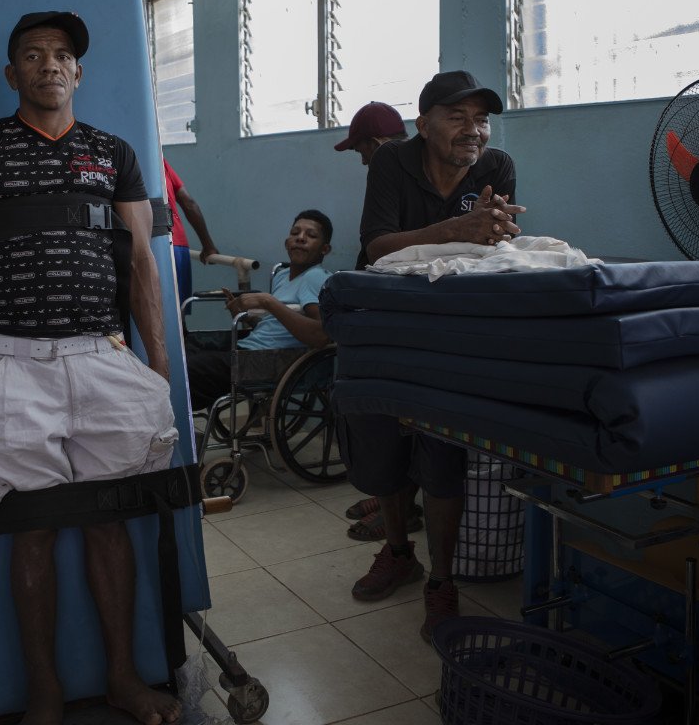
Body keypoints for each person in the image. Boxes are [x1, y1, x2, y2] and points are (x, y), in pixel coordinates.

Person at [0, 11, 181, 725]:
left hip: (104, 357)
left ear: (79, 72)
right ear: (13, 75)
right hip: (13, 362)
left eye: (63, 55)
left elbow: (139, 264)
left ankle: (123, 679)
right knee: (31, 527)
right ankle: (42, 689)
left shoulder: (114, 153)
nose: (50, 65)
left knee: (108, 522)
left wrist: (157, 367)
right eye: (34, 56)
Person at [343, 70, 524, 642]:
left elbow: (495, 248)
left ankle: (440, 581)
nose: (473, 130)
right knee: (384, 447)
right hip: (387, 320)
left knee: (444, 453)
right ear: (424, 125)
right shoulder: (393, 162)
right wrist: (457, 229)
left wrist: (487, 233)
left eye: (481, 119)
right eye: (457, 117)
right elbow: (376, 246)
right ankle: (399, 551)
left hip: (450, 325)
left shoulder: (496, 168)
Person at [334, 102, 422, 542]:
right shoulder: (401, 172)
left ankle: (400, 511)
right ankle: (395, 498)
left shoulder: (399, 168)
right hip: (384, 302)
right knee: (391, 421)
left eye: (361, 150)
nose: (363, 159)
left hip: (400, 311)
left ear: (375, 143)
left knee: (397, 418)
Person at [185, 210, 332, 414]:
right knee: (181, 351)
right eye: (295, 232)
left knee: (187, 369)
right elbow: (277, 326)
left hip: (270, 361)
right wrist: (246, 316)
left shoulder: (314, 278)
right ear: (286, 242)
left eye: (311, 235)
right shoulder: (282, 276)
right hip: (251, 350)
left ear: (325, 249)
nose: (300, 238)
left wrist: (268, 301)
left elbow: (320, 335)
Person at [162, 158, 219, 305]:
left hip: (155, 245)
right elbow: (189, 203)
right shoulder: (159, 160)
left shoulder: (124, 158)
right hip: (177, 246)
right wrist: (208, 245)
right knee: (178, 313)